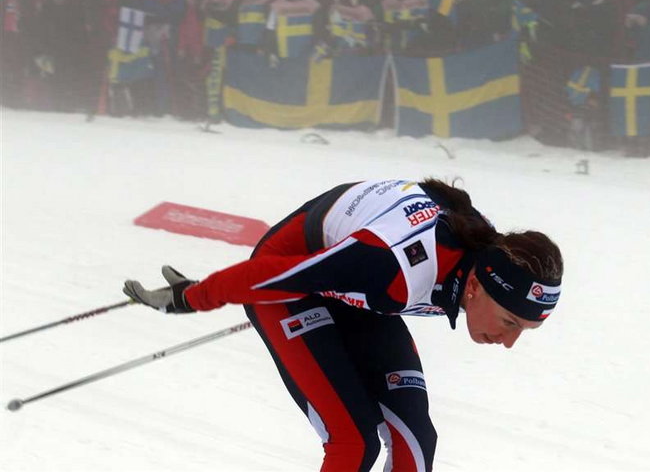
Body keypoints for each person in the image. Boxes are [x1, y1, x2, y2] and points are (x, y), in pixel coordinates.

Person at [123, 178, 564, 471]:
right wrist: (191, 297)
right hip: (295, 273)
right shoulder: (391, 267)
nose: (509, 342)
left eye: (524, 329)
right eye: (510, 322)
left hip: (360, 292)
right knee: (355, 441)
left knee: (416, 439)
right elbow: (272, 276)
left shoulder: (480, 255)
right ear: (475, 288)